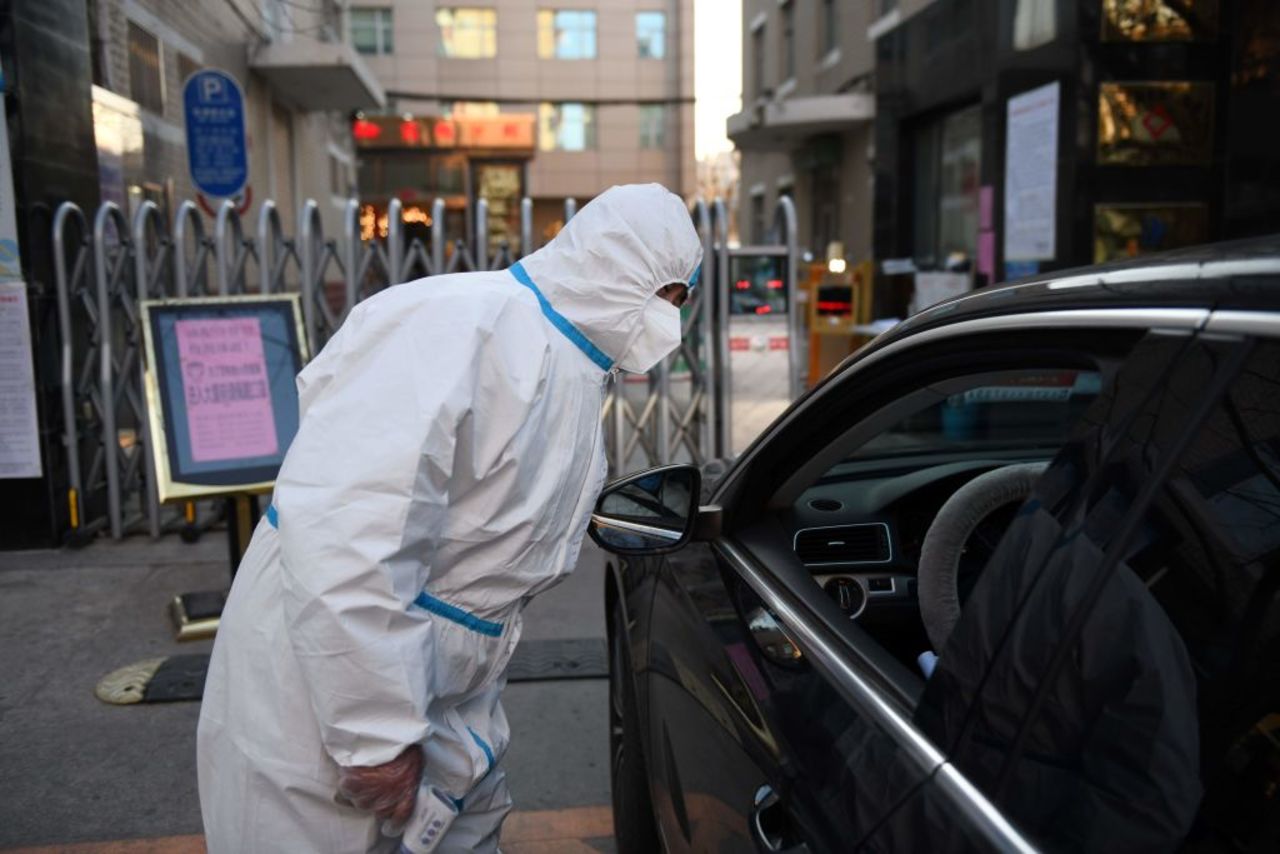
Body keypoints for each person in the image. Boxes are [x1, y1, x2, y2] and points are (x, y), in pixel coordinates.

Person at [196, 184, 702, 853]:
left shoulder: (570, 366)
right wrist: (376, 734)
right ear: (621, 266)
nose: (671, 319)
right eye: (667, 295)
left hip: (434, 686)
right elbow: (349, 533)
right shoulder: (463, 323)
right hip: (329, 677)